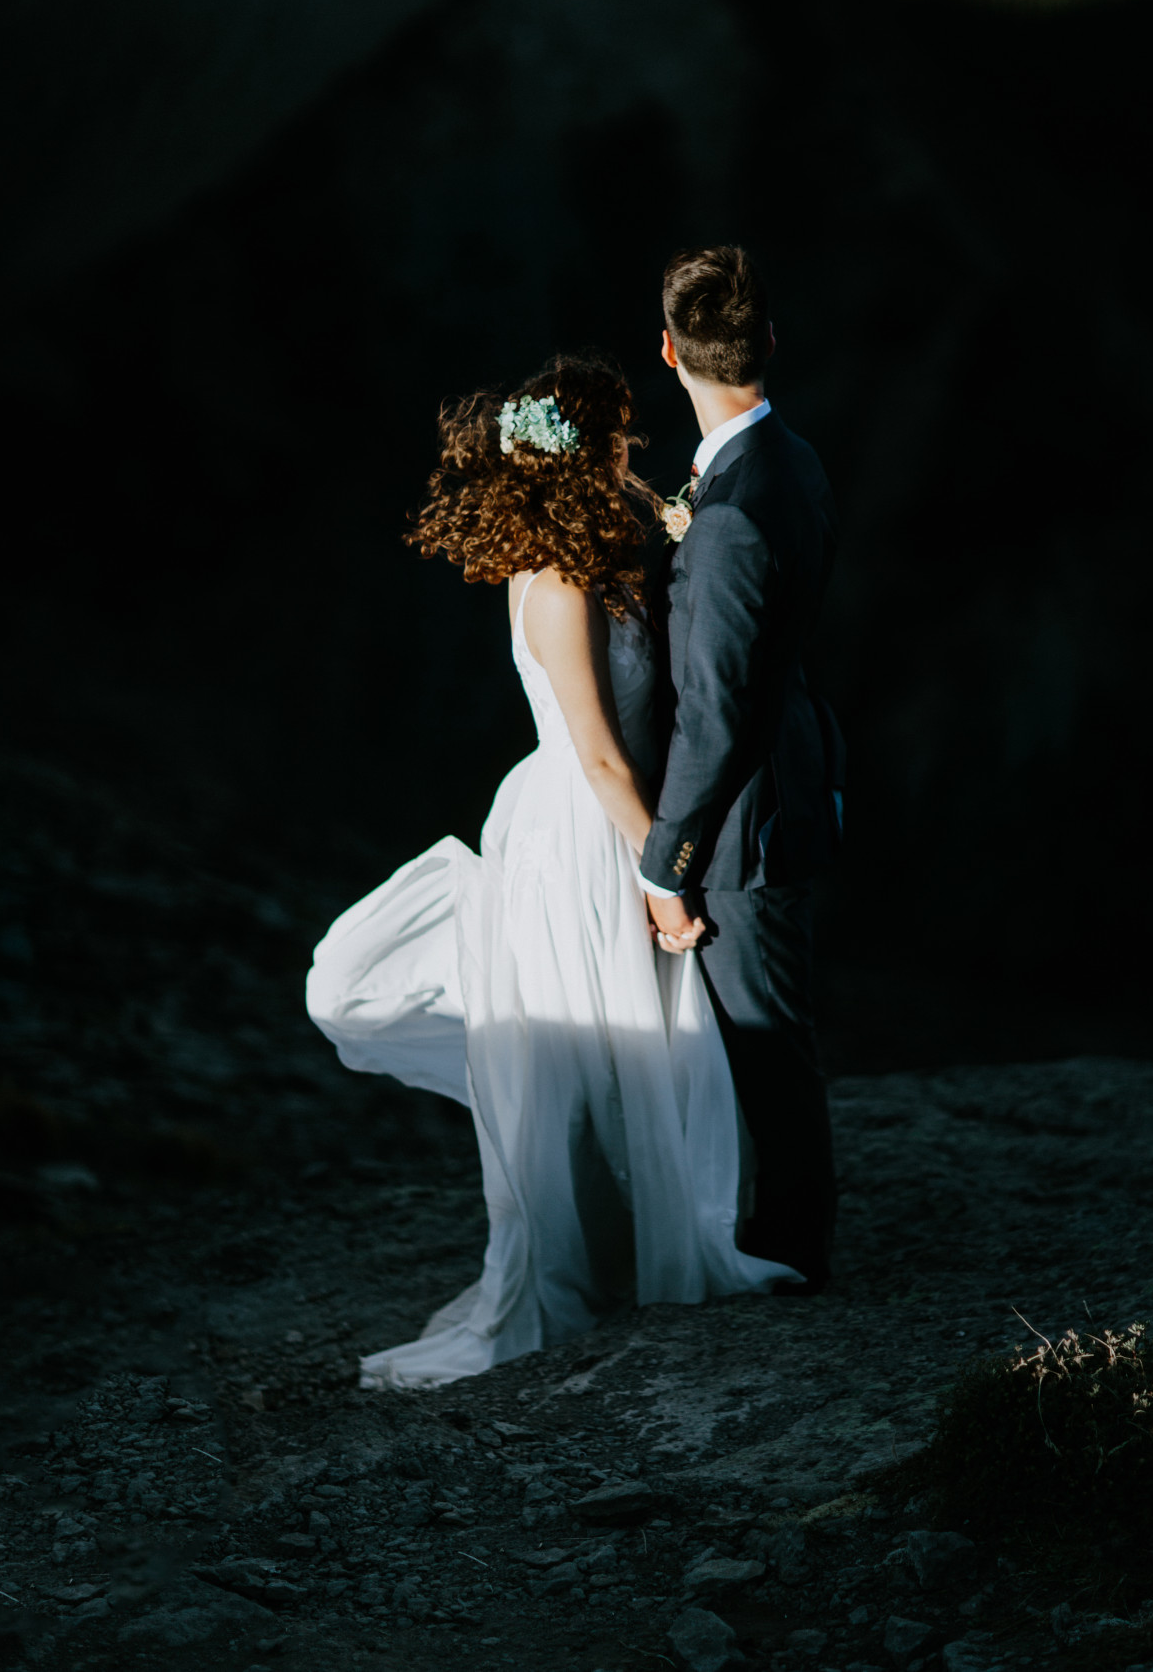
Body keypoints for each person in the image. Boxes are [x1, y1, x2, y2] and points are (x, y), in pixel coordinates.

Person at [307, 351, 793, 1390]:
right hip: (576, 826)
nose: (632, 452)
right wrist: (662, 871)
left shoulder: (585, 549)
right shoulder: (559, 575)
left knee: (619, 1047)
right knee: (606, 1043)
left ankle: (624, 1250)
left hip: (579, 816)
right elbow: (597, 751)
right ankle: (599, 1265)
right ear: (590, 448)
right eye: (617, 437)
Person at [636, 246, 841, 1293]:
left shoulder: (723, 517)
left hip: (742, 823)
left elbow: (712, 717)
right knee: (769, 1032)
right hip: (793, 779)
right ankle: (778, 1225)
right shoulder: (791, 459)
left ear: (669, 353)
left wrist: (661, 861)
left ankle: (791, 1246)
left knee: (764, 1038)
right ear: (767, 341)